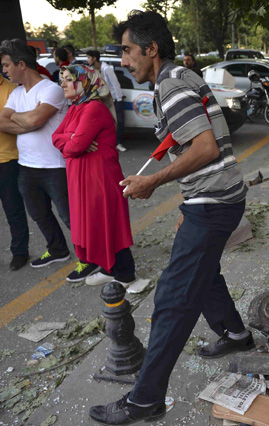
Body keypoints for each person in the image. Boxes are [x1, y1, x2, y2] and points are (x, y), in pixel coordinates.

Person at [89, 11, 251, 425]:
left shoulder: (171, 84)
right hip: (213, 199)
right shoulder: (180, 78)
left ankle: (145, 399)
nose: (124, 62)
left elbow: (205, 149)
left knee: (172, 301)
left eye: (127, 51)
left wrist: (154, 182)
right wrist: (185, 198)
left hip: (214, 203)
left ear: (151, 49)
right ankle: (236, 334)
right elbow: (187, 142)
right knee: (204, 271)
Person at [52, 64, 136, 283]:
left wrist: (71, 141)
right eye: (63, 79)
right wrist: (71, 138)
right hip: (83, 178)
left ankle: (123, 275)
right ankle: (110, 270)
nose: (63, 83)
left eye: (69, 79)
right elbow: (55, 137)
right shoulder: (75, 108)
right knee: (94, 223)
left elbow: (75, 148)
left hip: (99, 179)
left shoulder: (93, 108)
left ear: (86, 81)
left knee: (106, 224)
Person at [0, 39, 71, 269]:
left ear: (21, 64)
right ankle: (58, 250)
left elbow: (35, 120)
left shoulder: (51, 89)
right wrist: (27, 119)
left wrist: (23, 117)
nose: (4, 70)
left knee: (70, 217)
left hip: (54, 166)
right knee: (39, 215)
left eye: (6, 65)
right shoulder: (17, 93)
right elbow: (1, 122)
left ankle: (92, 257)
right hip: (27, 166)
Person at [0, 41, 29, 270]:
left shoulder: (12, 89)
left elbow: (15, 122)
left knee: (14, 210)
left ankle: (20, 253)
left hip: (6, 161)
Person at [86, 50, 127, 152]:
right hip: (101, 101)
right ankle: (109, 143)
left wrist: (119, 99)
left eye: (89, 57)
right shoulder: (92, 70)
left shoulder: (107, 69)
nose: (87, 60)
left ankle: (118, 143)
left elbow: (115, 84)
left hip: (113, 100)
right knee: (105, 123)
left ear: (94, 58)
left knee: (119, 121)